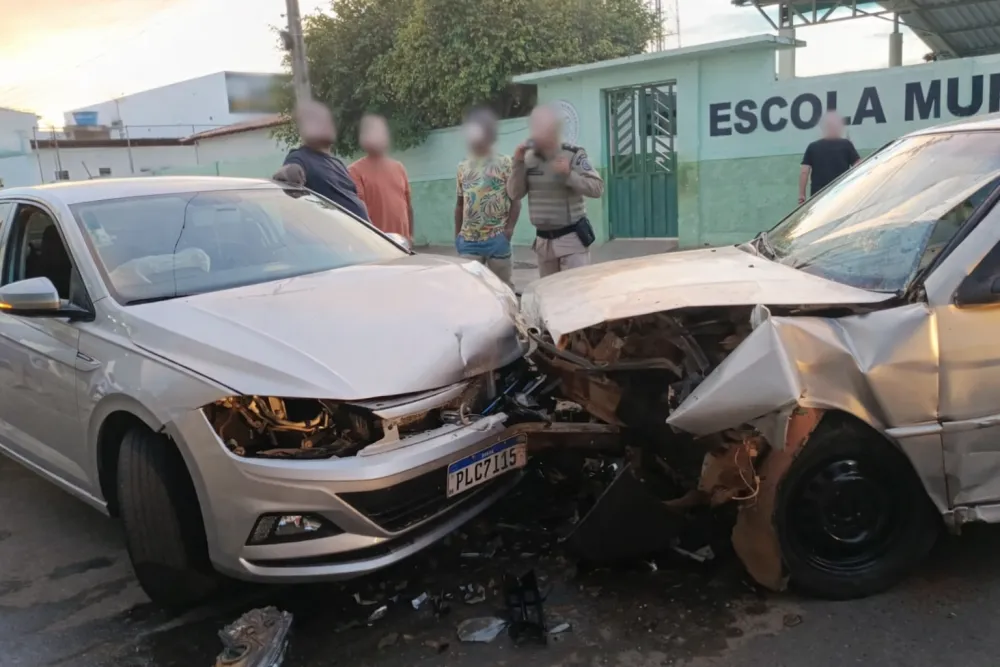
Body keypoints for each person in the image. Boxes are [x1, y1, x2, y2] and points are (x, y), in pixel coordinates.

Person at [508, 104, 604, 278]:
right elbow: (515, 194)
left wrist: (569, 175)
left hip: (571, 240)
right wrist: (517, 162)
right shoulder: (528, 158)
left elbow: (597, 188)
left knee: (575, 293)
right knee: (549, 296)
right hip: (544, 244)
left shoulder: (572, 154)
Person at [454, 107, 521, 288]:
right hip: (469, 243)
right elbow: (460, 204)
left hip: (497, 240)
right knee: (471, 291)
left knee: (504, 289)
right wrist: (458, 236)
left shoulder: (505, 163)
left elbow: (516, 200)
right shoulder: (463, 166)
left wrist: (508, 231)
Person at [272, 100, 369, 221]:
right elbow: (289, 173)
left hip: (362, 235)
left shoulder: (337, 163)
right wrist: (288, 173)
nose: (325, 125)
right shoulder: (300, 157)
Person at [348, 114, 414, 241]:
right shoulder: (355, 171)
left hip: (403, 245)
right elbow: (357, 213)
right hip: (376, 246)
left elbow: (408, 207)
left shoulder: (399, 168)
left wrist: (410, 236)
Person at [799, 111, 861, 204]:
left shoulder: (813, 147)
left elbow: (804, 172)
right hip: (841, 192)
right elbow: (859, 166)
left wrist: (802, 195)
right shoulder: (846, 144)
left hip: (818, 195)